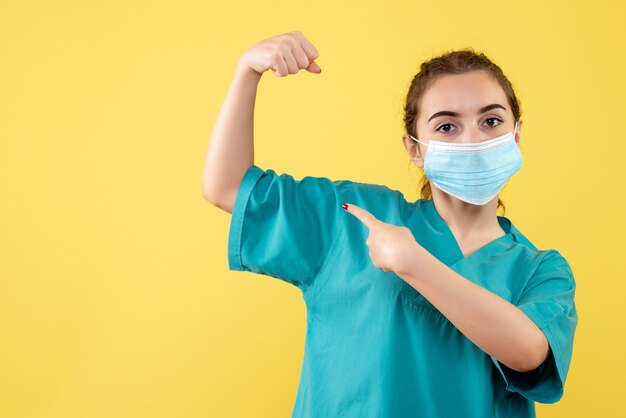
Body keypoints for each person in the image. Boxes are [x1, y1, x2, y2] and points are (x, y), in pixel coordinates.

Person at [202, 30, 578, 418]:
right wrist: (247, 71)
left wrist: (413, 263)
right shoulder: (350, 216)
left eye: (491, 121)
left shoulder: (541, 270)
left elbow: (529, 352)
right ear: (415, 149)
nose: (471, 141)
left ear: (516, 136)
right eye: (447, 127)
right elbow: (227, 186)